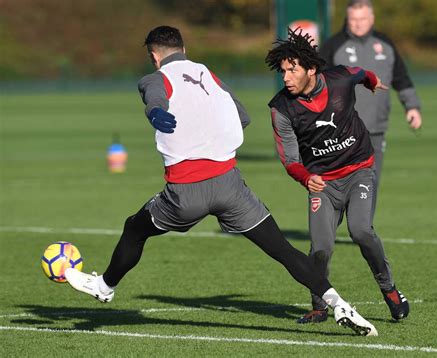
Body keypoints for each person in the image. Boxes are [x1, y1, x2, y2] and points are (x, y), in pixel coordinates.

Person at [64, 25, 378, 336]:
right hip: (231, 186)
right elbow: (242, 115)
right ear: (184, 50)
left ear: (153, 57)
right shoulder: (206, 73)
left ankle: (105, 286)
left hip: (186, 192)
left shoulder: (153, 77)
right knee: (282, 249)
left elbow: (156, 96)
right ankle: (338, 303)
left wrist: (157, 112)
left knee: (134, 228)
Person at [265, 27, 409, 325]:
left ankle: (389, 289)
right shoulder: (281, 109)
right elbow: (290, 159)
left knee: (361, 231)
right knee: (321, 248)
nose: (286, 78)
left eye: (292, 70)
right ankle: (319, 307)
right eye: (283, 72)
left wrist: (372, 81)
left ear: (312, 69)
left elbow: (361, 72)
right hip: (322, 183)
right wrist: (306, 178)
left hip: (359, 170)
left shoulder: (340, 78)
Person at [319, 0, 422, 208]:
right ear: (347, 19)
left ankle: (362, 229)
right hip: (342, 130)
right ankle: (330, 225)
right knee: (340, 183)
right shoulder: (333, 46)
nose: (358, 24)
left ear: (372, 19)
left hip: (375, 128)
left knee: (370, 182)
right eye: (353, 19)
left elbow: (401, 77)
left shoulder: (385, 44)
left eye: (362, 19)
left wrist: (412, 107)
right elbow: (317, 84)